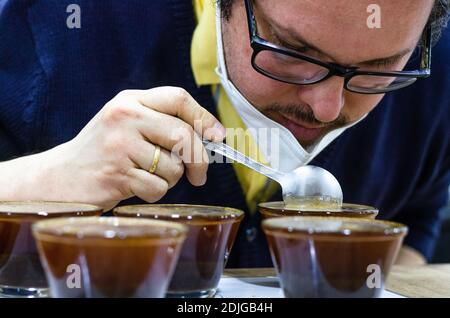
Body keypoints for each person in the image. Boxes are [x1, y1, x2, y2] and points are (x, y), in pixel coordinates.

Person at [0, 0, 449, 267]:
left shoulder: (431, 67)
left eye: (378, 69)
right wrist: (40, 180)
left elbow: (417, 207)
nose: (326, 108)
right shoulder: (56, 25)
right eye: (292, 52)